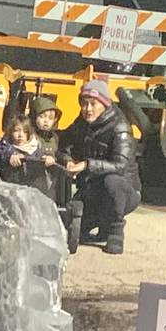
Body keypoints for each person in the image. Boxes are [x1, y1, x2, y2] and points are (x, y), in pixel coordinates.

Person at [58, 79, 140, 254]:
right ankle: (99, 222)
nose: (87, 109)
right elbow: (64, 143)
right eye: (84, 103)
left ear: (105, 104)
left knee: (113, 182)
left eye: (93, 104)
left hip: (124, 192)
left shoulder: (120, 126)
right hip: (91, 188)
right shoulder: (82, 122)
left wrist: (86, 164)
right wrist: (67, 160)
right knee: (70, 229)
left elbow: (120, 166)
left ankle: (115, 229)